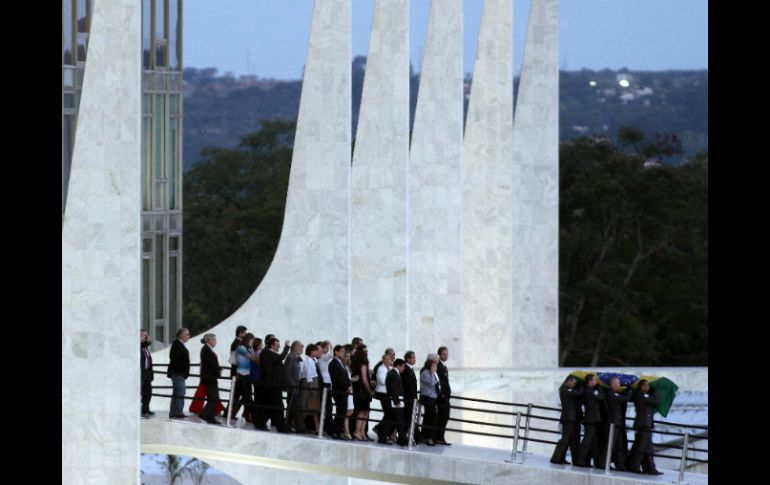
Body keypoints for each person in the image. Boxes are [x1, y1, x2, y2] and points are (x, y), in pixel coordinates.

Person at [627, 380, 663, 475]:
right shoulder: (641, 394)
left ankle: (650, 468)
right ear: (641, 387)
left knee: (648, 448)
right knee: (640, 447)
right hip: (642, 424)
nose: (648, 387)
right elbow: (655, 400)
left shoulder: (644, 394)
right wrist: (655, 392)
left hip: (646, 424)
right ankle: (635, 466)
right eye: (646, 385)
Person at [550, 376, 583, 464]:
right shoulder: (564, 389)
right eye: (573, 382)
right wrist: (581, 386)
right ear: (568, 381)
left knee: (574, 440)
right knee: (565, 439)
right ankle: (556, 458)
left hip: (573, 418)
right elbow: (578, 393)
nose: (573, 384)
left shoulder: (569, 390)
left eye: (575, 383)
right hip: (568, 418)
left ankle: (568, 458)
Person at [574, 374, 605, 468]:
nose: (596, 382)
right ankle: (579, 460)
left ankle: (593, 461)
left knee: (593, 442)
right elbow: (602, 396)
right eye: (595, 380)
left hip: (592, 418)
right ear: (590, 381)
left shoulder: (589, 390)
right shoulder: (590, 390)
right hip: (591, 418)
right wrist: (599, 387)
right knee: (587, 440)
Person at [605, 376, 630, 471]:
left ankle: (620, 464)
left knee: (619, 445)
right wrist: (630, 391)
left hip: (618, 423)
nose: (619, 385)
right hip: (613, 423)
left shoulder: (616, 393)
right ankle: (605, 463)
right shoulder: (611, 393)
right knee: (610, 444)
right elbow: (624, 399)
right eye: (618, 383)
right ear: (612, 384)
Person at [328, 344, 352, 439]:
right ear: (336, 352)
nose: (343, 354)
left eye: (344, 352)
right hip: (339, 391)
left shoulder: (341, 363)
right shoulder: (333, 363)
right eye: (341, 352)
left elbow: (346, 376)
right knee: (340, 412)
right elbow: (337, 378)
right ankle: (335, 431)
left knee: (342, 412)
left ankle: (338, 431)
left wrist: (349, 384)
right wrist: (346, 386)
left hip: (344, 391)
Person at [167, 327, 191, 419]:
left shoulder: (179, 344)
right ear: (181, 335)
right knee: (180, 392)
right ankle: (177, 412)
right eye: (187, 334)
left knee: (178, 392)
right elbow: (175, 359)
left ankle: (174, 412)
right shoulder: (177, 345)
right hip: (178, 373)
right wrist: (180, 371)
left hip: (179, 373)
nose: (189, 336)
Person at [351, 344, 374, 441]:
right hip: (363, 391)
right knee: (362, 412)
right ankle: (358, 432)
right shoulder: (363, 363)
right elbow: (364, 379)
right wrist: (370, 390)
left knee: (364, 412)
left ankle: (361, 432)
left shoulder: (355, 362)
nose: (367, 352)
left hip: (357, 390)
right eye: (365, 351)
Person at [199, 333, 222, 425]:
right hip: (209, 378)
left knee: (212, 398)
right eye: (214, 340)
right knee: (213, 397)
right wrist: (218, 370)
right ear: (210, 340)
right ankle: (205, 414)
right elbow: (211, 365)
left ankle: (210, 417)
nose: (215, 342)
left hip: (209, 377)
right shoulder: (206, 350)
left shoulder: (206, 349)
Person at [283, 340, 305, 433]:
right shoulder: (291, 357)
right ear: (294, 347)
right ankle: (300, 428)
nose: (302, 348)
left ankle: (287, 426)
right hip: (292, 387)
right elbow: (287, 374)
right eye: (300, 346)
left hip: (296, 386)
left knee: (292, 407)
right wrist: (294, 385)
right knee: (295, 407)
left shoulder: (296, 357)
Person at [234, 333, 257, 423]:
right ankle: (249, 414)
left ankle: (243, 413)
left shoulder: (245, 348)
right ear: (248, 340)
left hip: (245, 374)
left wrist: (251, 348)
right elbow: (252, 358)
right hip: (242, 375)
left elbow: (253, 358)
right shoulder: (242, 348)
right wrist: (251, 348)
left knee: (245, 396)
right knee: (247, 396)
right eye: (252, 341)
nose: (252, 342)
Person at [386, 358, 408, 446]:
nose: (403, 368)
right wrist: (397, 401)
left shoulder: (395, 373)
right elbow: (393, 389)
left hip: (396, 400)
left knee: (393, 420)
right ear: (398, 366)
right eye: (402, 366)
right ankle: (402, 440)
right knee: (399, 420)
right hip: (396, 401)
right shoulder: (394, 374)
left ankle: (383, 436)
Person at [419, 358, 440, 446]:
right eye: (434, 365)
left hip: (433, 397)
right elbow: (431, 383)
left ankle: (424, 436)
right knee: (434, 417)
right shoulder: (425, 373)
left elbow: (437, 383)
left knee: (428, 417)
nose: (435, 367)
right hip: (427, 397)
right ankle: (430, 438)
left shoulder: (434, 373)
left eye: (436, 365)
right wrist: (432, 373)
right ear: (430, 366)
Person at [228, 325, 248, 420]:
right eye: (244, 333)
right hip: (237, 373)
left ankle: (230, 412)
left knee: (237, 394)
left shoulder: (238, 343)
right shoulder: (236, 344)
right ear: (240, 333)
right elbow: (233, 359)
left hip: (238, 373)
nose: (245, 335)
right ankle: (231, 412)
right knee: (240, 394)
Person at [435, 346, 452, 445]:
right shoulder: (438, 366)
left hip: (445, 396)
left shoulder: (444, 366)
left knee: (444, 417)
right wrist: (442, 394)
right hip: (442, 397)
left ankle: (440, 437)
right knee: (442, 417)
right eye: (444, 354)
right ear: (439, 355)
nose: (446, 356)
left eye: (447, 354)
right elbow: (439, 382)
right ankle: (439, 437)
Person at [401, 351, 419, 443]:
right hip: (409, 399)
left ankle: (409, 437)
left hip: (411, 399)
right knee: (408, 418)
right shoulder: (407, 369)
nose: (415, 359)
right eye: (413, 358)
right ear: (408, 359)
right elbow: (408, 386)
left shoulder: (409, 369)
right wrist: (414, 398)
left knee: (409, 419)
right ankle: (404, 437)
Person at [140, 329, 154, 418]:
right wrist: (143, 340)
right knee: (140, 391)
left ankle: (146, 409)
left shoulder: (145, 348)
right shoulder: (138, 346)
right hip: (140, 371)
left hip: (147, 372)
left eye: (146, 335)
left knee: (148, 391)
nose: (146, 337)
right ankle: (141, 409)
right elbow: (143, 344)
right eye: (144, 335)